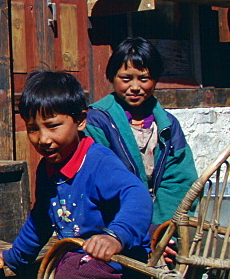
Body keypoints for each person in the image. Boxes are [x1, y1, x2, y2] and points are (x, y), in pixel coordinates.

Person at [0, 70, 153, 279]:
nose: (43, 139)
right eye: (33, 128)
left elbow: (137, 196)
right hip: (77, 270)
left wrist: (115, 236)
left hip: (111, 274)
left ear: (80, 120)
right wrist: (14, 257)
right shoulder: (47, 168)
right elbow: (41, 218)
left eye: (53, 126)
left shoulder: (98, 162)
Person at [84, 37, 198, 232]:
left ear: (155, 80)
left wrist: (164, 229)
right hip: (114, 222)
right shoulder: (98, 121)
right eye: (126, 79)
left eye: (144, 79)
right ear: (111, 77)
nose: (135, 87)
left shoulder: (168, 125)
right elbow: (101, 180)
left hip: (161, 221)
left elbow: (179, 181)